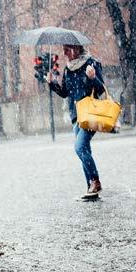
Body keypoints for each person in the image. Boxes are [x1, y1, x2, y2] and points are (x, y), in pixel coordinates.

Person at [46, 44, 105, 198]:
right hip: (75, 116)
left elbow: (101, 90)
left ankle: (95, 181)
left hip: (90, 114)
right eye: (64, 49)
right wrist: (52, 83)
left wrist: (93, 78)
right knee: (85, 150)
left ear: (76, 49)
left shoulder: (91, 63)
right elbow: (65, 93)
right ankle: (91, 189)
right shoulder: (68, 69)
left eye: (67, 49)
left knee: (79, 148)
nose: (64, 52)